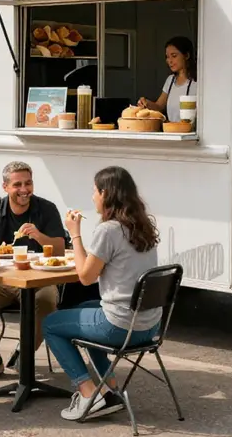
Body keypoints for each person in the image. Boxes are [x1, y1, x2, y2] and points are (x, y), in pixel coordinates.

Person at [43, 166, 162, 422]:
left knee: (51, 324)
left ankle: (88, 394)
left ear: (106, 193)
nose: (92, 197)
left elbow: (85, 276)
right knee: (87, 306)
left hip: (120, 326)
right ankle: (110, 390)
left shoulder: (108, 230)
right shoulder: (144, 226)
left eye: (94, 191)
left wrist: (74, 233)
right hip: (150, 326)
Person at [0, 160, 67, 381]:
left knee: (47, 301)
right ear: (5, 187)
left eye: (28, 183)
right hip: (1, 280)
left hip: (39, 280)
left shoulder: (46, 209)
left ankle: (23, 352)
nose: (24, 190)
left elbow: (60, 248)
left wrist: (38, 235)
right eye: (17, 185)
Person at [137, 36, 197, 122]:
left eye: (174, 56)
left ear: (187, 55)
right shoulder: (170, 80)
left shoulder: (198, 82)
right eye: (167, 57)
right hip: (172, 131)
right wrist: (146, 103)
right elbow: (159, 106)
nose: (169, 61)